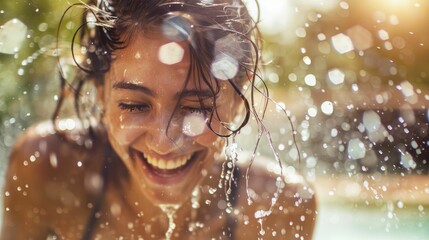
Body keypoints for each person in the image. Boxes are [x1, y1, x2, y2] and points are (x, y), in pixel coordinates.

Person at [1, 0, 317, 239]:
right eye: (134, 105)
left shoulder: (276, 206)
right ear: (101, 93)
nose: (163, 143)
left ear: (237, 98)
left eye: (196, 108)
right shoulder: (49, 169)